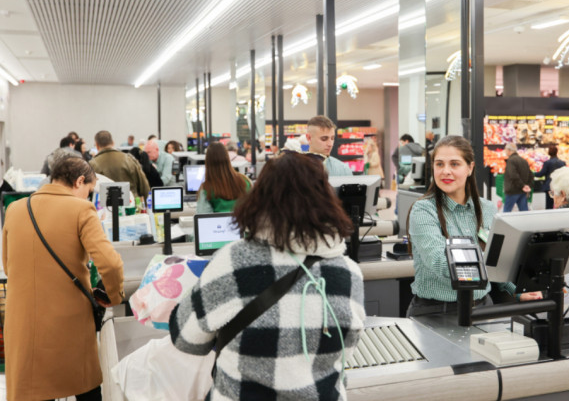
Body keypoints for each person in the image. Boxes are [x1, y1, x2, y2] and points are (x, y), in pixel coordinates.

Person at [170, 152, 365, 400]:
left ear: (259, 198)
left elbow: (185, 338)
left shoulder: (233, 261)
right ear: (327, 199)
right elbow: (347, 348)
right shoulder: (349, 272)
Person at [2, 157, 124, 401]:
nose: (88, 198)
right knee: (85, 389)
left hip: (22, 324)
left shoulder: (15, 209)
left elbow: (8, 265)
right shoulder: (81, 210)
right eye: (88, 191)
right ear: (80, 181)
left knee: (34, 389)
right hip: (68, 326)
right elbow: (110, 264)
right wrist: (112, 295)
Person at [406, 136, 541, 317]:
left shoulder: (487, 209)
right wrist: (490, 262)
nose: (445, 171)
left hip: (483, 306)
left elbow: (497, 262)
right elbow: (440, 263)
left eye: (454, 164)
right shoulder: (423, 210)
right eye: (439, 164)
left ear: (469, 168)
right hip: (436, 311)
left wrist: (517, 289)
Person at [90, 130, 150, 198]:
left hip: (103, 207)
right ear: (113, 143)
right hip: (131, 206)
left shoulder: (92, 165)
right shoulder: (129, 159)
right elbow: (145, 187)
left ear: (97, 145)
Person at [196, 142, 251, 214]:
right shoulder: (245, 181)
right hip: (242, 224)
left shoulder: (206, 188)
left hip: (218, 225)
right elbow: (252, 208)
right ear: (227, 158)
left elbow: (202, 216)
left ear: (207, 162)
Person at [503, 143, 534, 212]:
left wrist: (522, 186)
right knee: (524, 212)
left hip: (513, 191)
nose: (505, 151)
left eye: (505, 149)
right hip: (522, 192)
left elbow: (513, 175)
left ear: (509, 150)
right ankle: (526, 223)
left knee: (506, 212)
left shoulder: (511, 161)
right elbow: (531, 175)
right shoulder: (524, 161)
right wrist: (527, 186)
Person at [534, 145, 566, 210]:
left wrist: (532, 174)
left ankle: (550, 217)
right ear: (557, 152)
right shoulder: (562, 163)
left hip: (549, 187)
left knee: (549, 205)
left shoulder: (547, 163)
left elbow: (541, 174)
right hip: (559, 186)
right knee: (559, 203)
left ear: (549, 153)